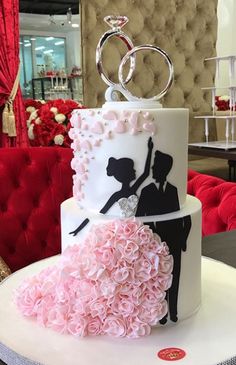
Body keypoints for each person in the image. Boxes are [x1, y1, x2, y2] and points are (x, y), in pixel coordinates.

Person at [136, 149, 192, 323]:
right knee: (158, 281)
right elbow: (140, 217)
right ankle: (161, 316)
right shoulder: (146, 191)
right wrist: (151, 242)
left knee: (174, 277)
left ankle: (174, 313)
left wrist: (182, 239)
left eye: (156, 166)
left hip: (174, 242)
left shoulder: (174, 190)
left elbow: (183, 215)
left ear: (164, 169)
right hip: (156, 245)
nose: (153, 168)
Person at [70, 137, 153, 236]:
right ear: (126, 173)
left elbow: (146, 173)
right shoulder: (117, 195)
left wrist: (150, 150)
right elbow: (98, 214)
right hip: (123, 232)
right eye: (132, 169)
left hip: (137, 229)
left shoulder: (132, 189)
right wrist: (79, 229)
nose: (135, 171)